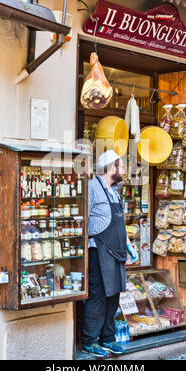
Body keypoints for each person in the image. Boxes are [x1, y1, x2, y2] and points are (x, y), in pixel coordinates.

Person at [81, 150, 138, 358]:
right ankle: (90, 341)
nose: (123, 170)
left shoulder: (114, 190)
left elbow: (119, 223)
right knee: (97, 296)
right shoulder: (91, 187)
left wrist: (129, 244)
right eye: (120, 166)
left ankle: (108, 338)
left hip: (116, 251)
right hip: (98, 250)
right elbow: (83, 219)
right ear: (111, 168)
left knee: (114, 295)